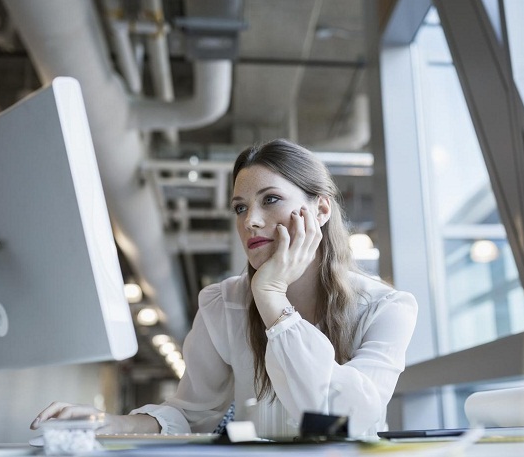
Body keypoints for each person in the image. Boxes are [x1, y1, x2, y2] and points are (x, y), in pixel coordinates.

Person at [31, 138, 418, 438]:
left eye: (270, 200)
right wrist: (106, 423)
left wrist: (272, 300)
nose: (251, 221)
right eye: (240, 207)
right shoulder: (224, 304)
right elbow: (191, 413)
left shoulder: (387, 308)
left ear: (320, 210)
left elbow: (342, 418)